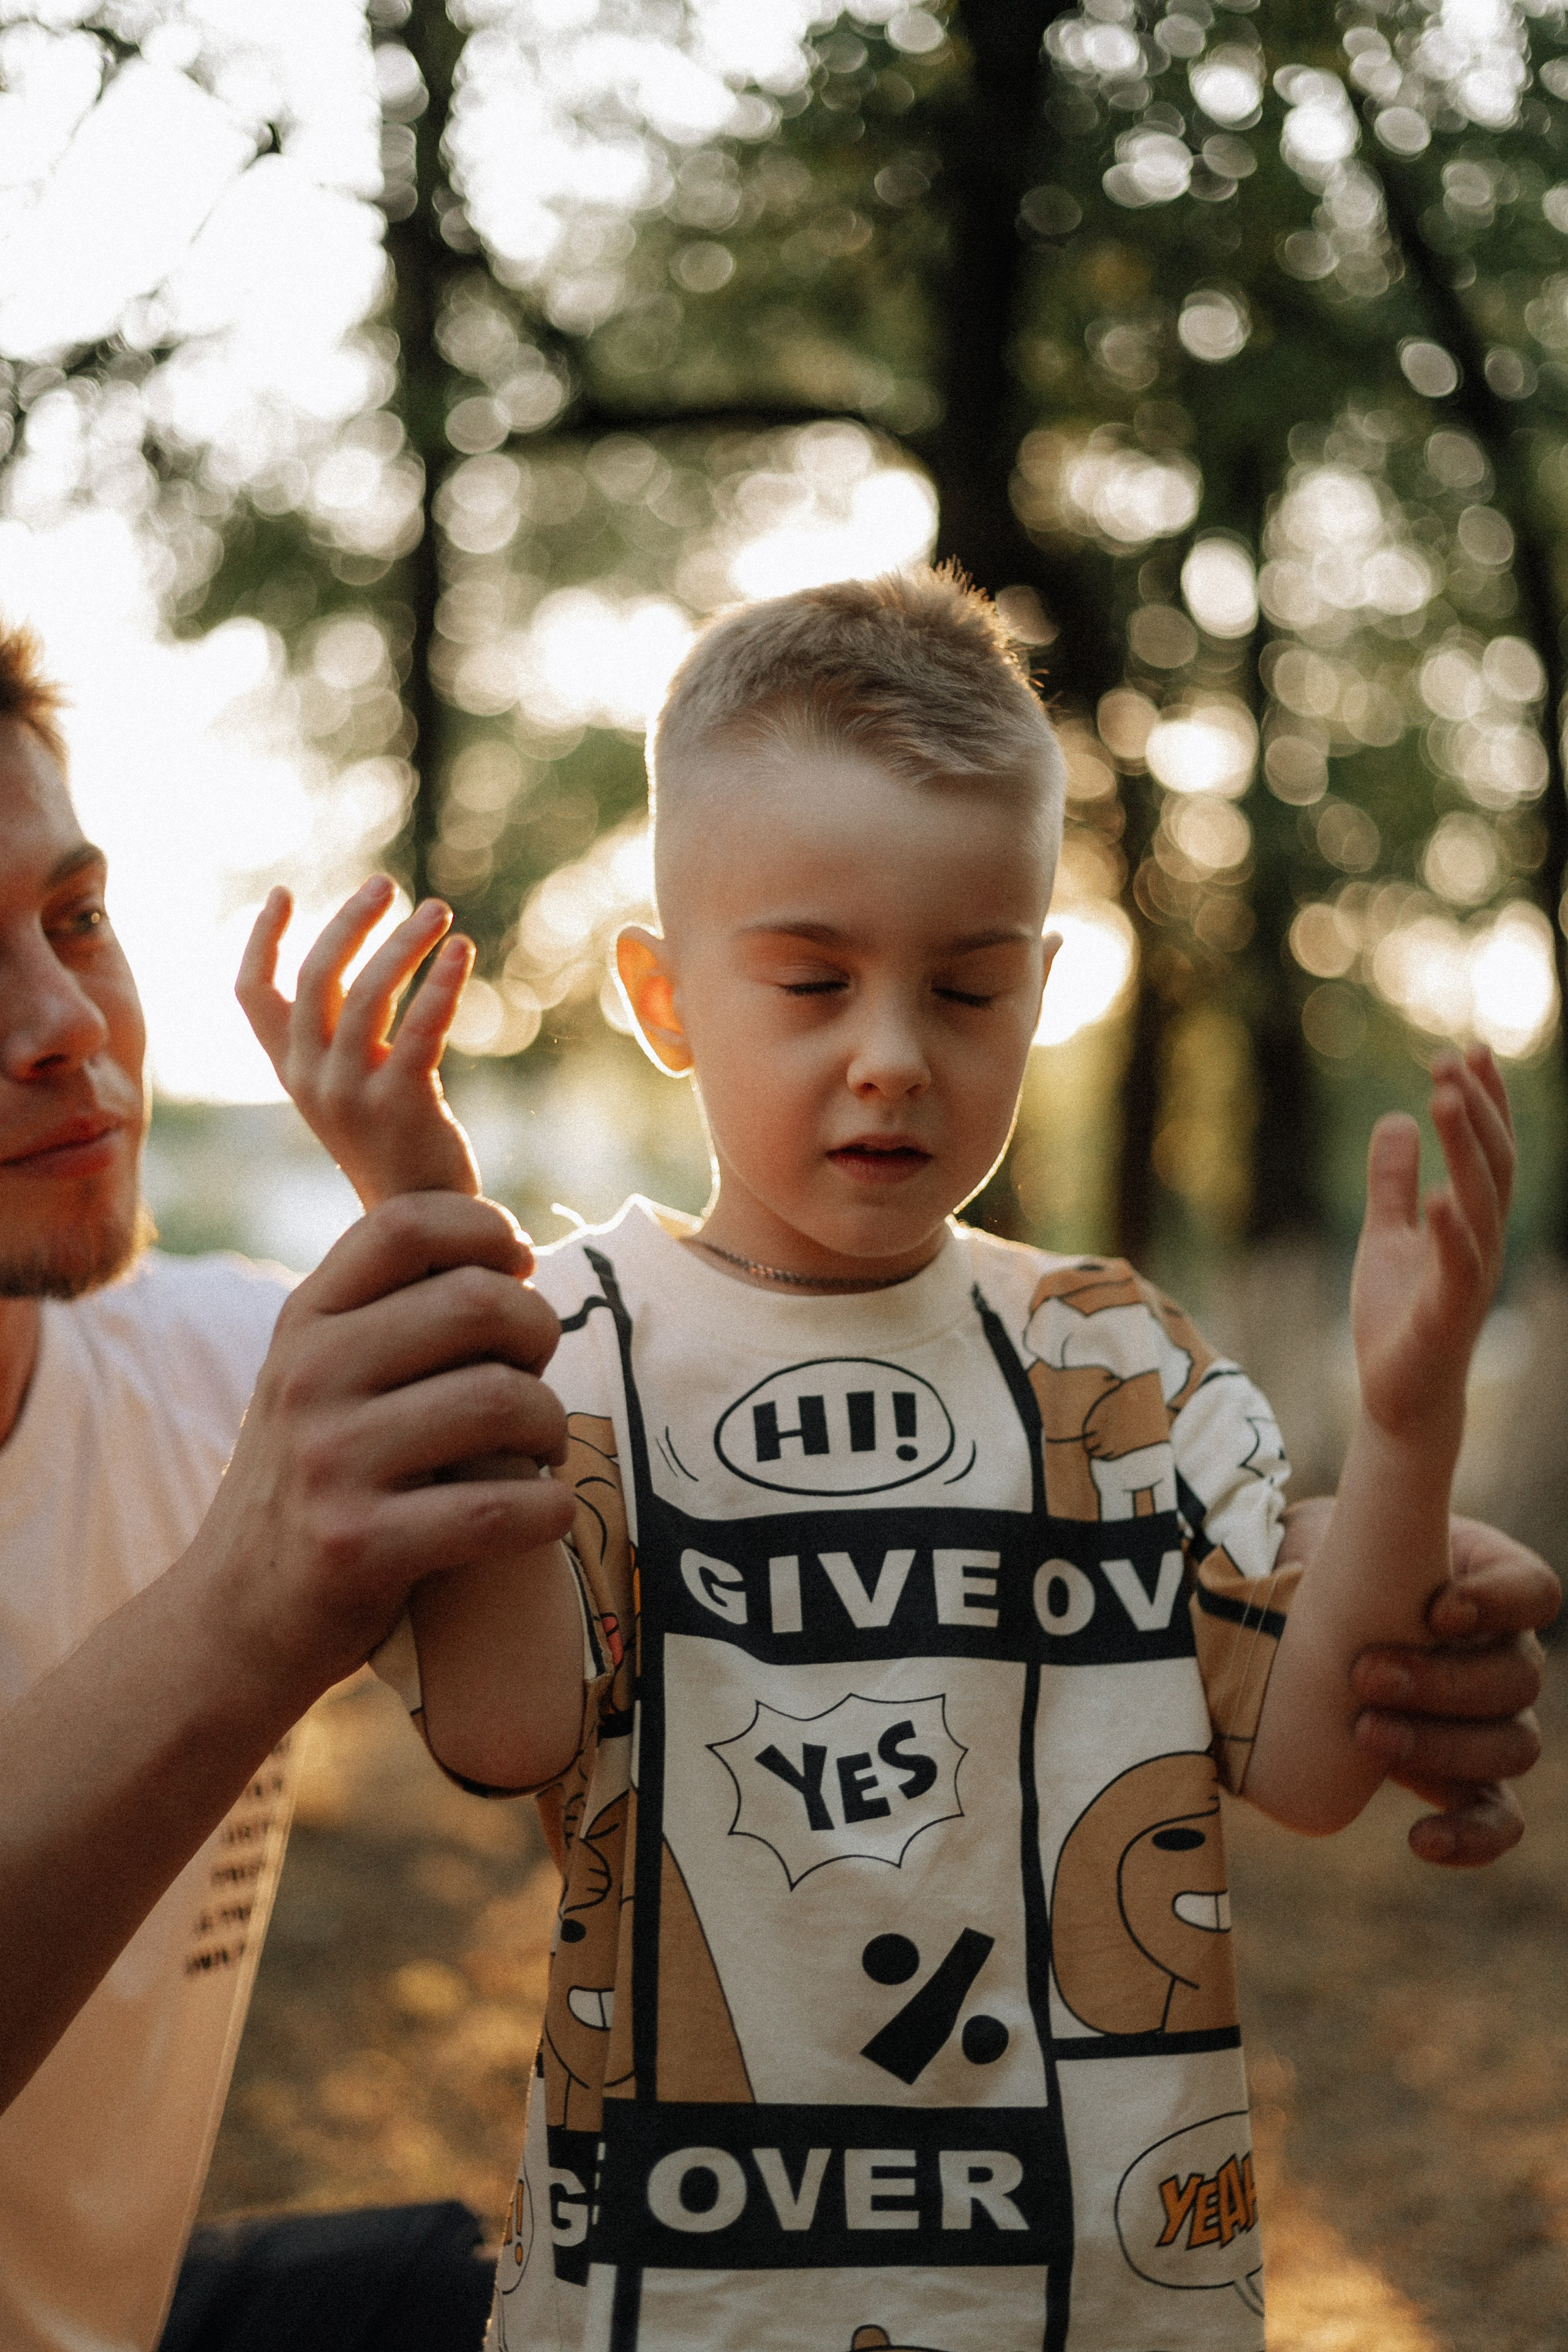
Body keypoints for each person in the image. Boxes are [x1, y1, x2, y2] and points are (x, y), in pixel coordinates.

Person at [242, 567, 1558, 2352]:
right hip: (685, 2301)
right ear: (664, 994)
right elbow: (505, 1729)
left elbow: (1314, 1766)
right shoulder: (568, 1345)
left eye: (963, 988)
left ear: (1043, 987)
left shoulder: (1113, 1356)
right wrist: (421, 1200)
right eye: (810, 980)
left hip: (1105, 2299)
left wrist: (1409, 1422)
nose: (890, 1059)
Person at [0, 622, 578, 2352]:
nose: (59, 1026)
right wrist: (239, 1614)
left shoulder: (220, 1372)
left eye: (76, 921)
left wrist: (1319, 1602)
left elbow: (720, 1537)